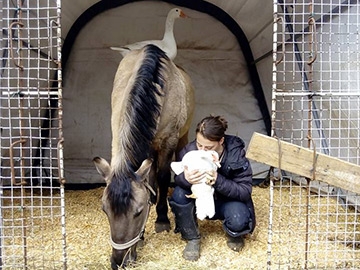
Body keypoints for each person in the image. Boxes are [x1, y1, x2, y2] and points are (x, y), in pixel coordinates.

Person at [169, 115, 256, 261]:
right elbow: (177, 177)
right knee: (178, 195)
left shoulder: (236, 154)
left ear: (221, 141)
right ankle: (192, 238)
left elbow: (245, 191)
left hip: (225, 201)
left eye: (208, 147)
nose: (202, 150)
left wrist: (218, 180)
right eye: (199, 145)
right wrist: (186, 178)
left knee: (238, 218)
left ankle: (234, 233)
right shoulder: (189, 150)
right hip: (199, 199)